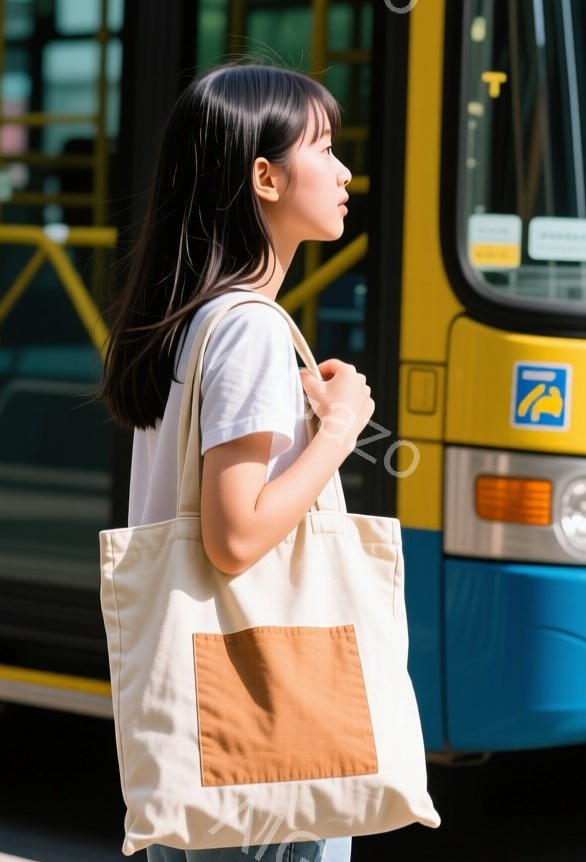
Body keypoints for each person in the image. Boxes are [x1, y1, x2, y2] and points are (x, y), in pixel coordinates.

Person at [98, 63, 366, 862]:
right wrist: (339, 430)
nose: (346, 173)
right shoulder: (250, 329)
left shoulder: (192, 320)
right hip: (259, 720)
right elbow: (234, 537)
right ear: (265, 178)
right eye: (325, 148)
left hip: (195, 714)